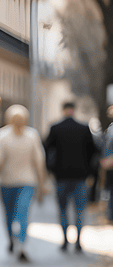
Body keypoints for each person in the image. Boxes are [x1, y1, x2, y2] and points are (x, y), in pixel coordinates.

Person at [0, 104, 47, 261]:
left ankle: (19, 242)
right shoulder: (3, 136)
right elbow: (39, 161)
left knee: (19, 212)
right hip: (13, 181)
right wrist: (42, 184)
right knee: (16, 213)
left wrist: (42, 184)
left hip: (19, 181)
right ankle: (15, 240)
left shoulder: (9, 135)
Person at [43, 100, 98, 251]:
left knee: (62, 209)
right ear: (74, 109)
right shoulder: (83, 128)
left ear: (63, 110)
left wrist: (50, 169)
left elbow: (46, 149)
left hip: (61, 176)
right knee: (80, 209)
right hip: (80, 176)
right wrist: (90, 172)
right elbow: (93, 151)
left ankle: (65, 240)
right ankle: (79, 241)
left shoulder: (56, 128)